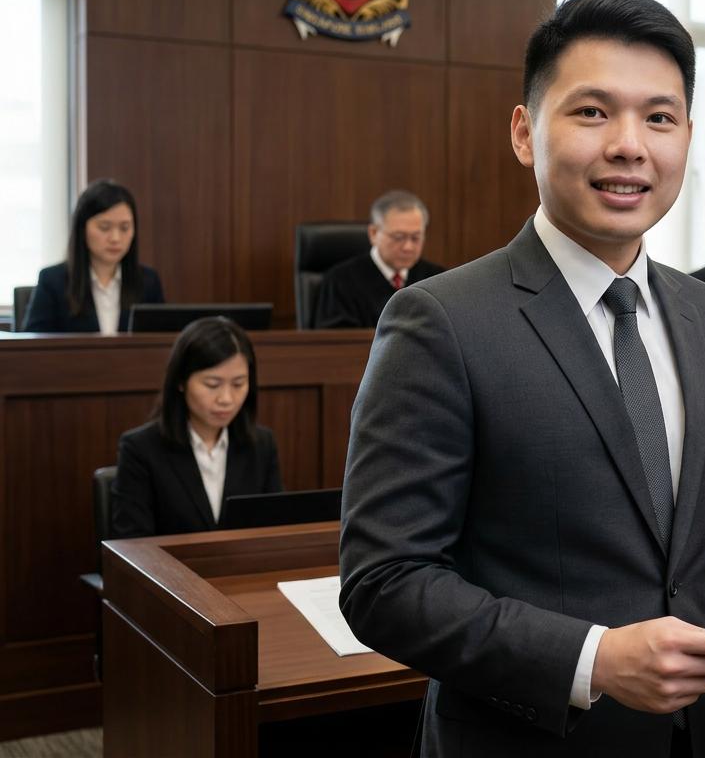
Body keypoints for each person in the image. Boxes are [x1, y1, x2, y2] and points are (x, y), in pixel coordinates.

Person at [339, 0, 705, 758]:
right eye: (592, 112)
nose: (629, 145)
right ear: (525, 132)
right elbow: (385, 582)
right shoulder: (441, 321)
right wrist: (592, 659)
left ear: (687, 137)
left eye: (659, 118)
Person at [112, 316, 282, 538]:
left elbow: (275, 530)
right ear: (181, 381)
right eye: (212, 384)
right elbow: (132, 544)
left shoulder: (262, 444)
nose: (226, 399)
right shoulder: (140, 449)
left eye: (238, 384)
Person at [24, 179, 165, 333]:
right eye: (104, 227)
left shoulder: (148, 282)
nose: (115, 238)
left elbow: (160, 340)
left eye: (124, 228)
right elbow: (33, 343)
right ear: (82, 229)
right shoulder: (52, 281)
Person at [313, 190, 446, 328]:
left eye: (415, 238)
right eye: (398, 237)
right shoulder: (340, 281)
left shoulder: (437, 279)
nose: (408, 247)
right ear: (373, 233)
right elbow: (336, 338)